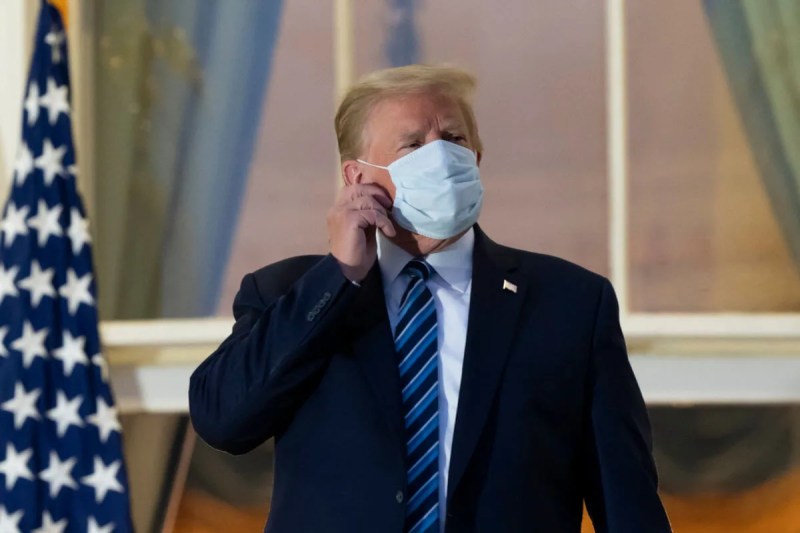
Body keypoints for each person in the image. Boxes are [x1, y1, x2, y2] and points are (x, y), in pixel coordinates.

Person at [189, 64, 671, 532]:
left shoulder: (570, 304)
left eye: (455, 140)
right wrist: (340, 276)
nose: (440, 157)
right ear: (357, 178)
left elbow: (626, 499)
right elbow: (223, 420)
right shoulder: (286, 294)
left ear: (477, 159)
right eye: (413, 144)